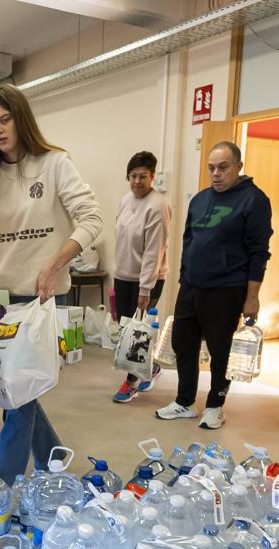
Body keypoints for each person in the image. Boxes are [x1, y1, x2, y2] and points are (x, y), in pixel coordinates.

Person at [0, 84, 102, 483]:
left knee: (17, 397)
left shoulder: (55, 164)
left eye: (5, 120)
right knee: (14, 391)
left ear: (21, 119)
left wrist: (56, 262)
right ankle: (54, 467)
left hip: (38, 298)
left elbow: (91, 218)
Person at [156, 140, 272, 430]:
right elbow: (188, 240)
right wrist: (184, 277)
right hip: (192, 285)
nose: (216, 174)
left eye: (223, 167)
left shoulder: (254, 200)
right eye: (211, 168)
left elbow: (259, 252)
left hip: (227, 288)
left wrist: (252, 297)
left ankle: (215, 405)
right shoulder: (201, 199)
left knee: (221, 351)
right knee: (184, 343)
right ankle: (184, 402)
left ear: (238, 167)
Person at [111, 150, 170, 404]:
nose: (137, 182)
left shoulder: (157, 206)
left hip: (147, 280)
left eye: (143, 177)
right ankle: (151, 368)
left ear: (152, 177)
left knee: (137, 335)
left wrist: (146, 288)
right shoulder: (126, 200)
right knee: (127, 330)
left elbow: (153, 251)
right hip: (124, 276)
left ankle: (131, 383)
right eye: (133, 176)